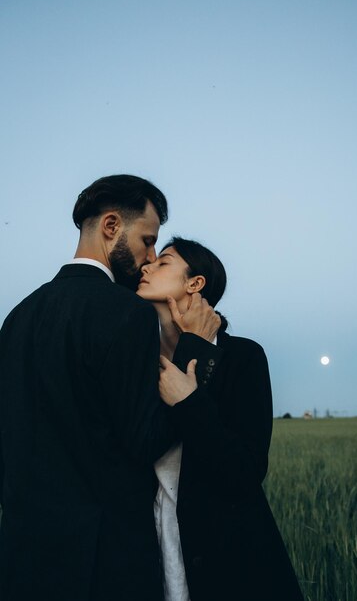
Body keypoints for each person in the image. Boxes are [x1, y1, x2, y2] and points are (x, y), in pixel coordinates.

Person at [0, 175, 222, 601]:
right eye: (148, 240)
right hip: (103, 566)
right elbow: (144, 441)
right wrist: (194, 362)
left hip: (20, 561)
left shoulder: (16, 317)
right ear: (111, 226)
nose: (149, 257)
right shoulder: (125, 313)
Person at [137, 237, 305, 601]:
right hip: (155, 550)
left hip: (232, 561)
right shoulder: (139, 364)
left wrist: (189, 402)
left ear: (194, 284)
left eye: (163, 262)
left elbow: (244, 472)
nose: (146, 267)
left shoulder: (242, 358)